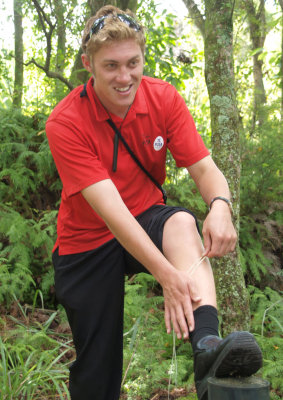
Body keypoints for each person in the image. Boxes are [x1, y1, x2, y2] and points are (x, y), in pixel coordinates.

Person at [46, 5, 262, 400]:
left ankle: (207, 348)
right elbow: (112, 216)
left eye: (133, 63)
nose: (124, 77)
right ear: (87, 64)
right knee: (98, 372)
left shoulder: (163, 99)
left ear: (144, 59)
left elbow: (205, 170)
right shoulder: (65, 122)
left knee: (181, 222)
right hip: (87, 239)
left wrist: (220, 206)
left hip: (144, 213)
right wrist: (166, 276)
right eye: (111, 65)